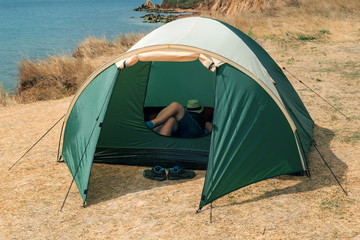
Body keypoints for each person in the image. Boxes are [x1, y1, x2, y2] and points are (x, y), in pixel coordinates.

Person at [146, 99, 213, 137]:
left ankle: (150, 125)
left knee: (176, 105)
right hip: (178, 129)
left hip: (194, 131)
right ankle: (160, 150)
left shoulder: (200, 116)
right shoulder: (182, 114)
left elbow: (208, 126)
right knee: (170, 119)